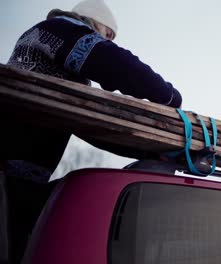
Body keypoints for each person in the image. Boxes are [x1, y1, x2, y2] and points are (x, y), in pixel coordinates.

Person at [0, 0, 182, 262]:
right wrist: (167, 95)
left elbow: (92, 127)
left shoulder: (57, 70)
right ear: (93, 21)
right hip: (7, 172)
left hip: (19, 177)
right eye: (108, 34)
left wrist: (151, 149)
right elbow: (115, 64)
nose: (107, 40)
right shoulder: (61, 30)